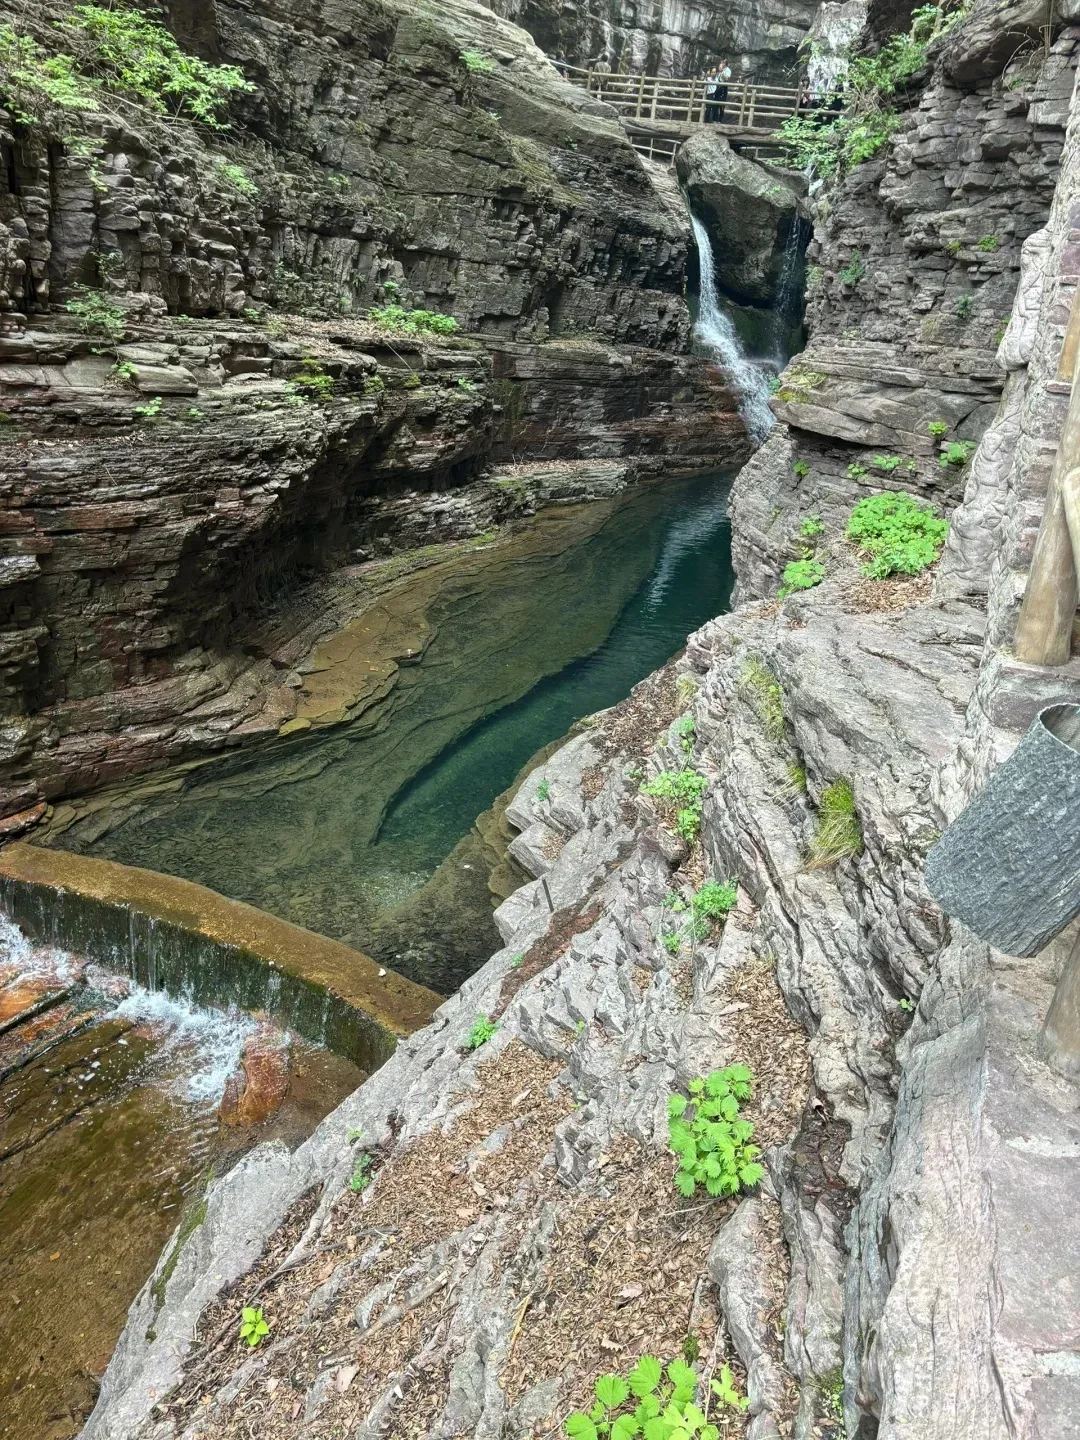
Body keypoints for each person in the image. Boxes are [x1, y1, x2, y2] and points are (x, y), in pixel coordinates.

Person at [715, 58, 732, 123]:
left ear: (725, 64)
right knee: (716, 103)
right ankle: (715, 119)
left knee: (722, 104)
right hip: (718, 87)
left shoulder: (728, 70)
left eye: (722, 63)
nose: (721, 64)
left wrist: (722, 71)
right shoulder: (719, 72)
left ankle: (720, 120)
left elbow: (726, 79)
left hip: (723, 87)